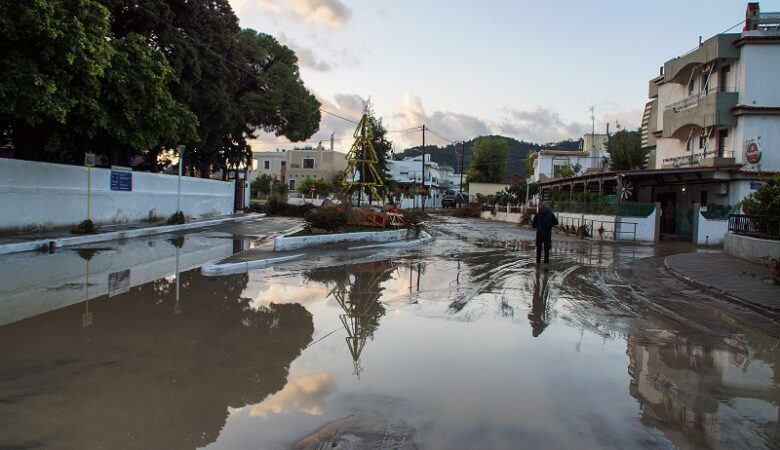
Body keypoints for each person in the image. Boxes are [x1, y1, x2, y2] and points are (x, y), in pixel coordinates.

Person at [531, 201, 558, 266]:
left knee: (539, 248)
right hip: (547, 233)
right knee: (546, 249)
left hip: (539, 233)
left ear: (541, 206)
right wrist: (550, 224)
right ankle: (546, 264)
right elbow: (556, 222)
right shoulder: (550, 213)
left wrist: (538, 225)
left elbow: (533, 225)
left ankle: (538, 263)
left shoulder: (538, 213)